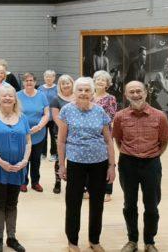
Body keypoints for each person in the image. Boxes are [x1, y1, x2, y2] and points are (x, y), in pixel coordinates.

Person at [57, 77, 116, 252]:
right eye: (80, 90)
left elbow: (108, 140)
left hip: (99, 163)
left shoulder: (99, 111)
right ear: (75, 92)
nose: (83, 93)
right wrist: (62, 165)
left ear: (92, 93)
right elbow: (61, 141)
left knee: (97, 203)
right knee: (73, 203)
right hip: (76, 163)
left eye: (87, 90)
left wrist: (112, 165)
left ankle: (94, 240)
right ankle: (72, 241)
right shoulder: (66, 110)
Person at [113, 81, 168, 252]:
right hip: (127, 164)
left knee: (152, 205)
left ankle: (149, 242)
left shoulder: (159, 116)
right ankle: (132, 240)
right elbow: (118, 140)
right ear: (126, 95)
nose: (136, 95)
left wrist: (153, 156)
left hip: (151, 164)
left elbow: (164, 141)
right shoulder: (120, 116)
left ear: (145, 93)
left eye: (139, 91)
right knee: (129, 204)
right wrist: (128, 153)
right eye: (131, 92)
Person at [0, 86, 30, 252]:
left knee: (12, 202)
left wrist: (25, 161)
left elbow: (28, 142)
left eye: (11, 96)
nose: (7, 98)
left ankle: (11, 237)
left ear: (15, 99)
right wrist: (1, 162)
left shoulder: (22, 118)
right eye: (4, 96)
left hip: (17, 167)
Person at [16, 72, 50, 193]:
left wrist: (39, 126)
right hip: (22, 133)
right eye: (26, 80)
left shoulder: (41, 95)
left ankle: (35, 182)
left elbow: (46, 114)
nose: (29, 82)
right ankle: (23, 182)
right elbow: (14, 112)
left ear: (35, 82)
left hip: (38, 133)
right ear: (23, 83)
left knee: (36, 159)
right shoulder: (17, 95)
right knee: (24, 158)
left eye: (31, 80)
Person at [93, 70, 118, 202]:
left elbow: (111, 117)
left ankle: (107, 191)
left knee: (107, 160)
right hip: (88, 134)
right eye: (98, 79)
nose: (100, 82)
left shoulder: (111, 98)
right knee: (91, 159)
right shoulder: (89, 95)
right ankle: (90, 189)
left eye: (103, 80)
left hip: (104, 133)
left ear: (107, 84)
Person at [50, 74, 75, 194]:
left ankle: (73, 182)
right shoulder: (56, 99)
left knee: (74, 158)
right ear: (59, 86)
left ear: (72, 84)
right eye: (63, 83)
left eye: (68, 83)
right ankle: (58, 181)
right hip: (60, 133)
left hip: (76, 133)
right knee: (60, 157)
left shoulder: (77, 97)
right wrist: (65, 130)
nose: (66, 85)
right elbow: (56, 118)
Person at [37, 70, 58, 161]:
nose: (48, 78)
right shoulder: (40, 88)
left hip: (54, 116)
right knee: (43, 136)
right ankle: (43, 153)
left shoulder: (57, 88)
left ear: (54, 78)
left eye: (50, 76)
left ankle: (54, 154)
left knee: (53, 136)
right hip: (43, 116)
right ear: (44, 77)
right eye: (47, 76)